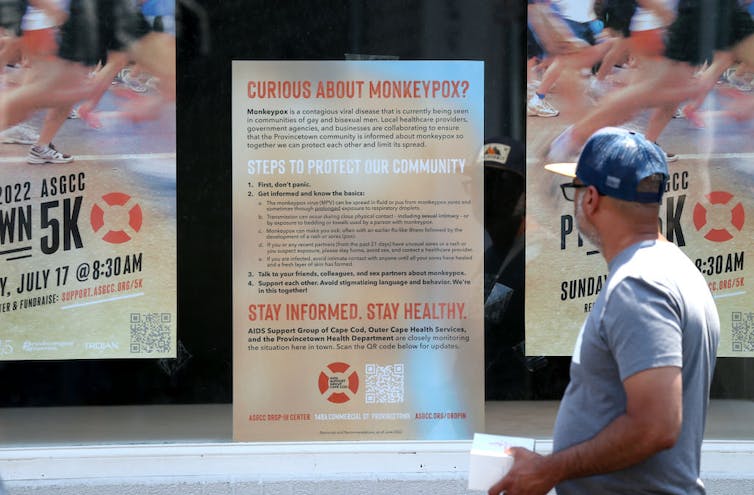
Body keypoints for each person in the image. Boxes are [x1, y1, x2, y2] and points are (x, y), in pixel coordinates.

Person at [489, 127, 720, 495]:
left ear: (591, 199)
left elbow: (656, 426)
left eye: (575, 190)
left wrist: (551, 469)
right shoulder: (672, 269)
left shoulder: (638, 285)